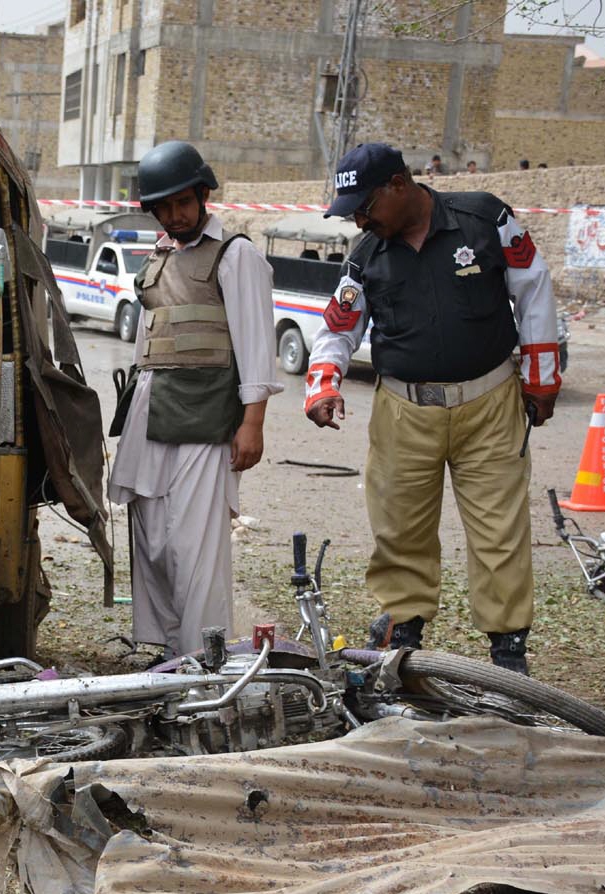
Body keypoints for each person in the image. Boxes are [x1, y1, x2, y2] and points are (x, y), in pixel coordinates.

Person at [305, 143, 561, 674]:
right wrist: (323, 385)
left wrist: (541, 377)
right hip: (404, 409)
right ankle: (404, 629)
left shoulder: (486, 219)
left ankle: (507, 651)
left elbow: (533, 291)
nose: (358, 218)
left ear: (399, 185)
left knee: (500, 529)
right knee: (399, 527)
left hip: (489, 404)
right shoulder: (366, 253)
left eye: (364, 205)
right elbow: (338, 328)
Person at [108, 141, 280, 657]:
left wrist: (253, 423)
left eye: (183, 202)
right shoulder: (158, 258)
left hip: (206, 421)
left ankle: (199, 659)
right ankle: (167, 654)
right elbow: (146, 348)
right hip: (151, 417)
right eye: (164, 207)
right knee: (154, 539)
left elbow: (255, 344)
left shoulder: (235, 255)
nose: (176, 215)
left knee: (196, 547)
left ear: (203, 196)